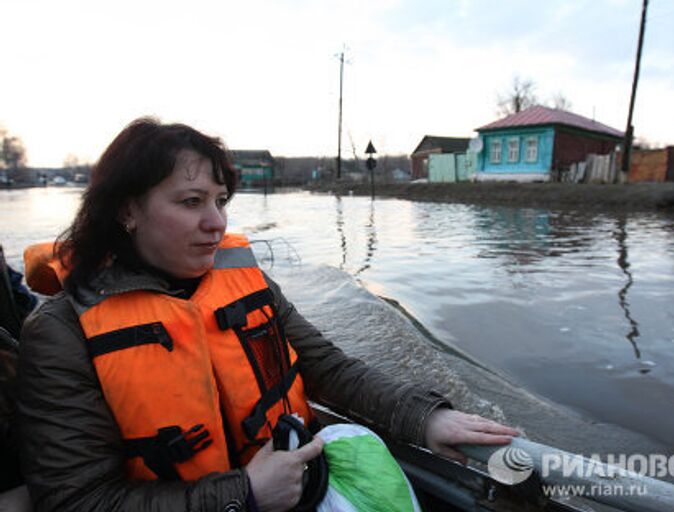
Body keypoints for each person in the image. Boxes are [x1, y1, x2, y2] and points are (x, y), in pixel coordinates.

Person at [15, 118, 517, 512]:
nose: (216, 224)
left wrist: (425, 417)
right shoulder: (62, 333)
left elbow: (328, 366)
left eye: (220, 201)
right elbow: (76, 500)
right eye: (191, 202)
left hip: (294, 488)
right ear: (127, 212)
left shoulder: (243, 281)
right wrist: (244, 494)